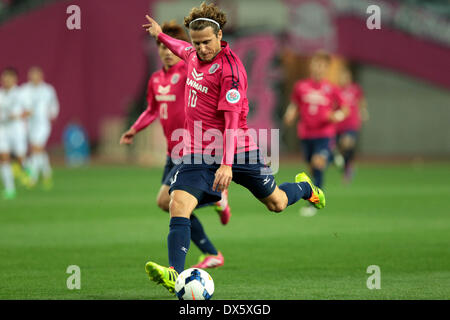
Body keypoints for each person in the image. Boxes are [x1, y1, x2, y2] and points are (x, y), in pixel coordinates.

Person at [142, 2, 326, 295]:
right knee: (178, 203)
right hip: (197, 152)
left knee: (276, 203)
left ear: (219, 35)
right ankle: (174, 273)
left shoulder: (230, 71)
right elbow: (180, 48)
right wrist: (160, 35)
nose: (201, 48)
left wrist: (227, 164)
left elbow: (230, 122)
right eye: (196, 42)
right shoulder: (191, 54)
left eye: (206, 42)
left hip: (237, 150)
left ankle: (306, 189)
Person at [120, 21, 229, 271]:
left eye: (169, 47)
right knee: (171, 204)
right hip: (172, 152)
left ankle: (214, 201)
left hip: (190, 149)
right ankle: (213, 248)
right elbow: (151, 110)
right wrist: (134, 129)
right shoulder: (156, 79)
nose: (166, 52)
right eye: (161, 46)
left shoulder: (190, 70)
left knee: (169, 201)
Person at [283, 51, 347, 217]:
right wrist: (290, 114)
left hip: (324, 133)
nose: (318, 68)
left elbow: (345, 109)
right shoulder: (301, 86)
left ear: (326, 69)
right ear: (312, 66)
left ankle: (313, 202)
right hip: (306, 133)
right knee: (311, 167)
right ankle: (333, 156)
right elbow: (295, 104)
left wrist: (336, 116)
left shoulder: (331, 89)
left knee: (317, 164)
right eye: (316, 64)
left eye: (322, 66)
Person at [20, 66, 59, 189]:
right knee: (37, 150)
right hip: (30, 124)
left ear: (41, 76)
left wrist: (53, 115)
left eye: (37, 75)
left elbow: (54, 105)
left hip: (43, 124)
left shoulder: (48, 90)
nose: (35, 78)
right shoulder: (24, 90)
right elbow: (19, 105)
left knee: (37, 148)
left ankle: (33, 177)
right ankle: (47, 173)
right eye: (32, 75)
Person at [334, 67, 368, 183]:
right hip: (339, 124)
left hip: (352, 123)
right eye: (342, 77)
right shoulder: (336, 90)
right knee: (341, 148)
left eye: (346, 77)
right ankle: (347, 166)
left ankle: (348, 167)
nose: (344, 79)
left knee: (347, 143)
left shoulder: (355, 89)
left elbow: (361, 101)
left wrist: (363, 111)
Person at [0, 67, 28, 199]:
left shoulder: (20, 93)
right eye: (4, 77)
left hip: (16, 128)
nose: (6, 80)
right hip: (3, 128)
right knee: (3, 157)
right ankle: (10, 189)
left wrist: (16, 116)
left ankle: (26, 170)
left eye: (9, 77)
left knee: (20, 156)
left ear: (15, 79)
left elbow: (29, 111)